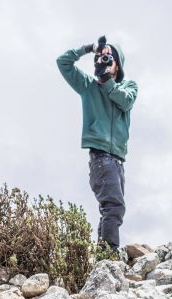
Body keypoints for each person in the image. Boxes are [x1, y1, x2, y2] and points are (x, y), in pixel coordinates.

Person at [56, 36, 138, 254]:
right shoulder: (87, 86)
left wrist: (106, 80)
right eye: (102, 56)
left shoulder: (128, 86)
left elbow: (126, 101)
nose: (104, 59)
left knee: (109, 209)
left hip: (118, 161)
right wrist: (89, 48)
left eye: (109, 56)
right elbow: (62, 62)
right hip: (101, 157)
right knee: (114, 207)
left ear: (117, 64)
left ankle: (103, 254)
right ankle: (108, 255)